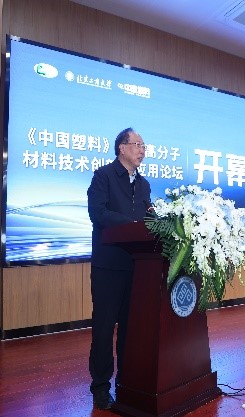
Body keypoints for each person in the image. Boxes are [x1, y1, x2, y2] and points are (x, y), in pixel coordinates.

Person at [87, 127, 152, 410]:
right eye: (138, 144)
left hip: (138, 267)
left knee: (130, 329)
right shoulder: (103, 176)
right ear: (122, 147)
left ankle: (126, 382)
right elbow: (98, 213)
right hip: (109, 266)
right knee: (104, 329)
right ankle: (101, 387)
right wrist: (133, 225)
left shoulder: (144, 184)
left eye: (144, 146)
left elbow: (148, 217)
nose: (142, 150)